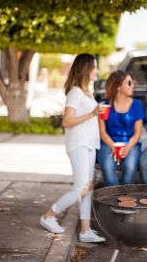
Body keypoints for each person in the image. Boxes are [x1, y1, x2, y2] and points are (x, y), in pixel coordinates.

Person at [39, 53, 106, 243]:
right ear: (86, 69)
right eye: (94, 67)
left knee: (88, 187)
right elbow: (66, 121)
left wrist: (95, 113)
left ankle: (85, 230)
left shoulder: (87, 92)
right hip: (78, 145)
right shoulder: (75, 92)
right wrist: (92, 113)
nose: (97, 71)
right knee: (80, 189)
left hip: (89, 144)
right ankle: (49, 215)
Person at [97, 70, 146, 186]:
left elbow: (137, 134)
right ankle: (115, 198)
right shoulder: (103, 105)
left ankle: (124, 198)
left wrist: (127, 148)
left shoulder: (136, 105)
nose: (132, 86)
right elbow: (102, 132)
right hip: (108, 143)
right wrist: (113, 147)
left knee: (130, 168)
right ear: (118, 86)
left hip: (131, 144)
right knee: (108, 169)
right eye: (129, 83)